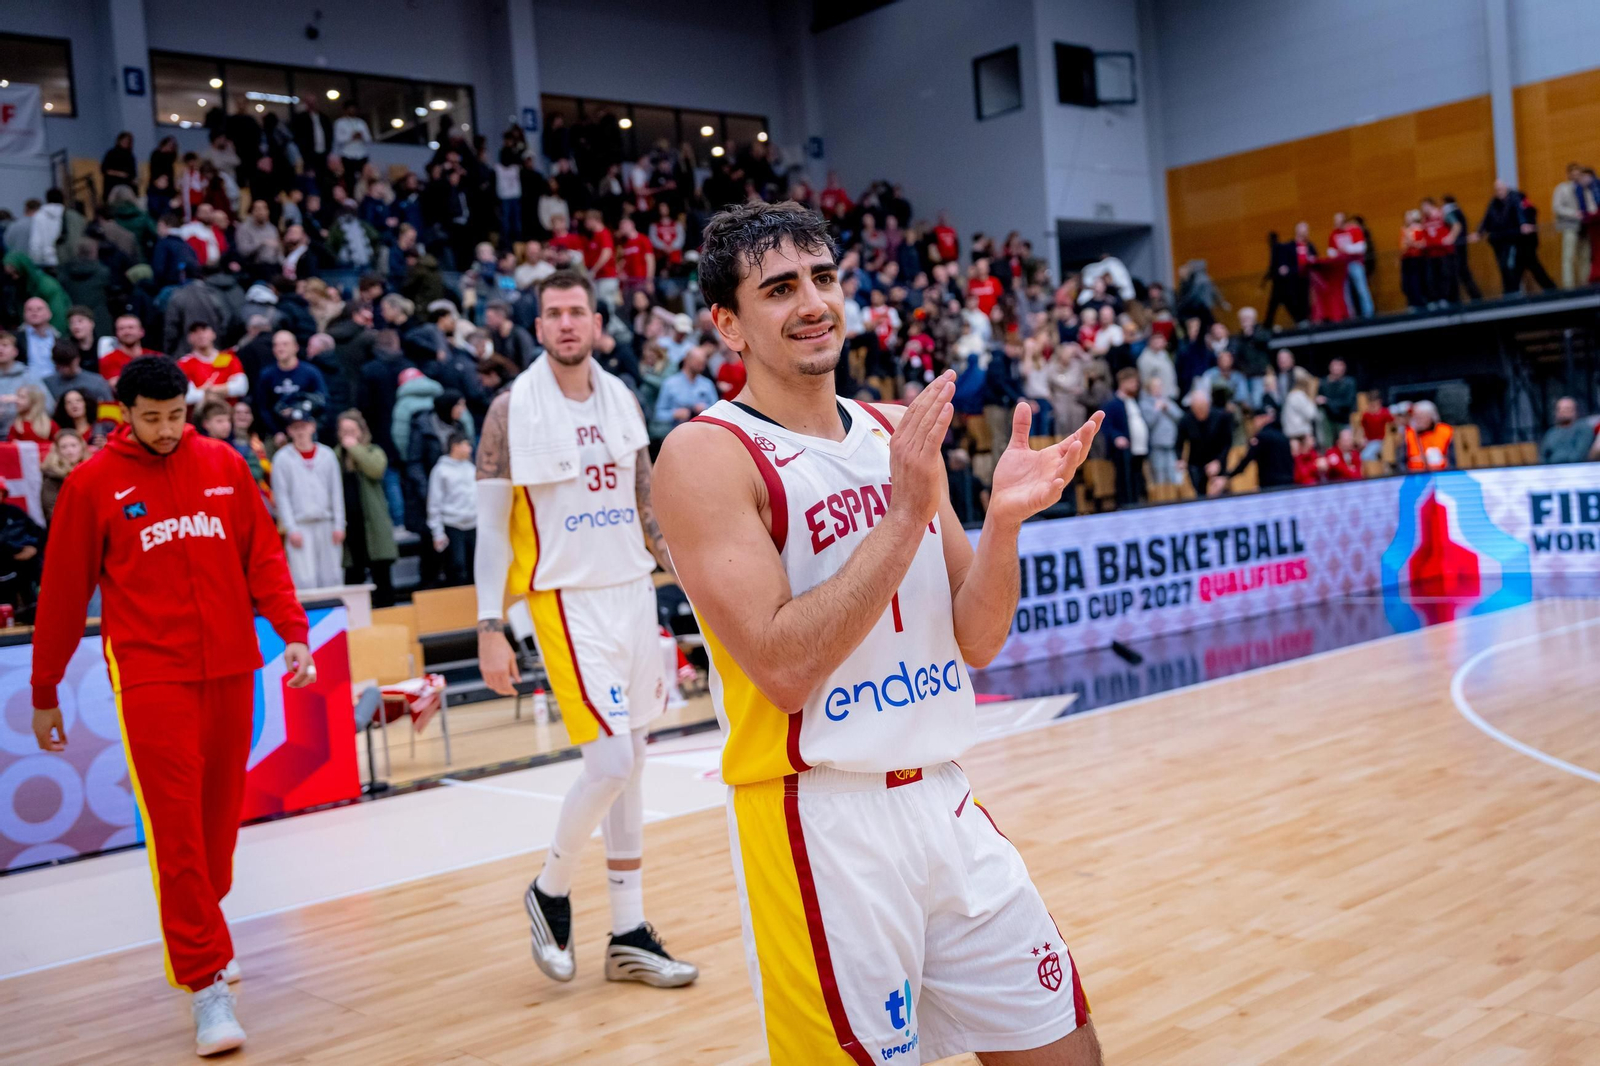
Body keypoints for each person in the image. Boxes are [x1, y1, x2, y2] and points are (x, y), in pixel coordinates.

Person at [652, 201, 1102, 1065]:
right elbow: (783, 665)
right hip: (821, 822)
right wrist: (903, 512)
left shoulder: (899, 429)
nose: (812, 301)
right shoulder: (707, 455)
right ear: (727, 324)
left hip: (944, 795)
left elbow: (977, 639)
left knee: (1065, 1050)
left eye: (823, 278)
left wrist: (1004, 523)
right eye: (778, 289)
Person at [30, 356, 314, 1057]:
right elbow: (62, 595)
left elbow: (264, 558)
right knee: (178, 834)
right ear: (123, 413)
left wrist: (295, 633)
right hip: (153, 680)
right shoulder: (94, 483)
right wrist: (45, 691)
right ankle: (206, 986)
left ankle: (206, 931)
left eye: (175, 415)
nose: (164, 431)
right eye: (150, 418)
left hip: (233, 670)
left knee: (217, 833)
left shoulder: (223, 464)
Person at [473, 270, 698, 990]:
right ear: (536, 328)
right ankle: (550, 888)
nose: (567, 324)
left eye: (578, 312)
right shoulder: (510, 412)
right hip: (564, 601)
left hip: (632, 591)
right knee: (609, 765)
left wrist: (690, 583)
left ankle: (628, 932)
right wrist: (488, 624)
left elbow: (648, 505)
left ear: (597, 323)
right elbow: (487, 534)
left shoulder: (624, 398)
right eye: (554, 314)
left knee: (634, 763)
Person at [270, 400, 344, 589]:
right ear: (289, 431)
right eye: (295, 428)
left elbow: (336, 492)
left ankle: (336, 617)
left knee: (332, 575)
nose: (300, 431)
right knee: (304, 578)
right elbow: (282, 497)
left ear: (312, 427)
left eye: (303, 426)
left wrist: (339, 524)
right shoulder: (282, 459)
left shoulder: (326, 455)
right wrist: (291, 528)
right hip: (300, 524)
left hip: (326, 522)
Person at [333, 411, 397, 607]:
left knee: (382, 576)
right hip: (349, 528)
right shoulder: (334, 456)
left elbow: (375, 469)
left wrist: (355, 449)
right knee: (352, 577)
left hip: (373, 525)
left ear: (361, 431)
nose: (348, 436)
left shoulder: (373, 451)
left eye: (352, 431)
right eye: (344, 431)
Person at [256, 331, 328, 442]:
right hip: (278, 434)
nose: (280, 348)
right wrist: (276, 432)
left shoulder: (310, 372)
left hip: (307, 430)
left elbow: (323, 401)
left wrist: (312, 426)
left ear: (296, 347)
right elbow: (263, 407)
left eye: (285, 344)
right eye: (276, 345)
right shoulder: (267, 375)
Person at [426, 429, 476, 584]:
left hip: (474, 523)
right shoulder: (440, 470)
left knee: (475, 565)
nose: (470, 449)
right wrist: (437, 532)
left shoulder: (471, 468)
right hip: (453, 524)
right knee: (457, 566)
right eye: (466, 445)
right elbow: (434, 502)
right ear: (455, 446)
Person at [1102, 366, 1149, 505]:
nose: (1135, 385)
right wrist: (1116, 437)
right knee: (1125, 479)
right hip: (1124, 451)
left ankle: (1137, 502)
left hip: (1139, 448)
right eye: (1132, 382)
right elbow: (1107, 425)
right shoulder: (1113, 404)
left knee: (1137, 478)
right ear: (1123, 382)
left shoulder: (1134, 401)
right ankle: (1126, 504)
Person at [1177, 388, 1234, 496]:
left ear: (1208, 405)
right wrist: (1180, 459)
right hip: (1196, 462)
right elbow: (1179, 442)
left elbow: (1227, 443)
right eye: (1196, 409)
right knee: (1200, 493)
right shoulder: (1185, 420)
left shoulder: (1221, 417)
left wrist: (1218, 461)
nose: (1199, 413)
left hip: (1217, 458)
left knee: (1219, 491)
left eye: (1202, 409)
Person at [1225, 401, 1296, 489]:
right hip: (1289, 483)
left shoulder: (1261, 437)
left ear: (1262, 418)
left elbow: (1247, 459)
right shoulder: (1283, 436)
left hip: (1270, 486)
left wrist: (1228, 475)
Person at [177, 322, 248, 409]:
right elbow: (188, 396)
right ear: (189, 338)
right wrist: (225, 389)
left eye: (204, 330)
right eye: (195, 332)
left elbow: (241, 387)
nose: (200, 335)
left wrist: (207, 390)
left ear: (213, 334)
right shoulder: (184, 363)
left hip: (228, 415)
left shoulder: (229, 358)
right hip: (198, 417)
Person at [652, 343, 719, 432]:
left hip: (702, 432)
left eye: (703, 364)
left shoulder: (707, 384)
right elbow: (658, 414)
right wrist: (675, 414)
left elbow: (718, 412)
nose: (701, 367)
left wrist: (705, 409)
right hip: (676, 431)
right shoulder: (670, 383)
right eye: (698, 363)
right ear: (687, 360)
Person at [1140, 375, 1182, 488]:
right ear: (1149, 388)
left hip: (1171, 443)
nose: (1158, 388)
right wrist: (1157, 409)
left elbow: (1180, 417)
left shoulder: (1168, 401)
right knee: (1160, 475)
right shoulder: (1145, 403)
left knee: (1174, 475)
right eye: (1155, 386)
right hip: (1156, 445)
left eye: (1160, 386)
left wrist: (1167, 408)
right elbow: (1148, 422)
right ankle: (1162, 499)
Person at [1329, 212, 1373, 317]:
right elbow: (1331, 251)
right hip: (1341, 266)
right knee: (1345, 293)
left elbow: (1361, 247)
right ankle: (1350, 314)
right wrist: (1337, 253)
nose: (1336, 223)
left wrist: (1347, 249)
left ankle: (1368, 313)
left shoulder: (1354, 229)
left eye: (1338, 221)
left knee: (1361, 289)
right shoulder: (1334, 234)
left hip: (1355, 263)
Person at [0, 331, 42, 439]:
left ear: (15, 351)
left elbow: (45, 405)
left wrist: (22, 402)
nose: (0, 349)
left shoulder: (28, 376)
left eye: (5, 345)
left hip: (22, 434)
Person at [40, 429, 88, 522]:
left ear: (82, 446)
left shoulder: (92, 470)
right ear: (57, 450)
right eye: (64, 447)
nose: (69, 451)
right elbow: (52, 511)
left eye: (73, 445)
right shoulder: (52, 477)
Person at [1397, 400, 1455, 472]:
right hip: (1414, 477)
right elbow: (1401, 462)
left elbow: (1453, 460)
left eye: (1421, 417)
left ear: (1431, 417)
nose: (1418, 421)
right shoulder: (1408, 433)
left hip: (1441, 475)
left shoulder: (1445, 432)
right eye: (1416, 417)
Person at [1538, 397, 1596, 464]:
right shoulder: (1551, 433)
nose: (1562, 412)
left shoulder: (1583, 429)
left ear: (1575, 411)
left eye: (1567, 409)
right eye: (1559, 409)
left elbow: (1579, 454)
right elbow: (1543, 455)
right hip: (1550, 471)